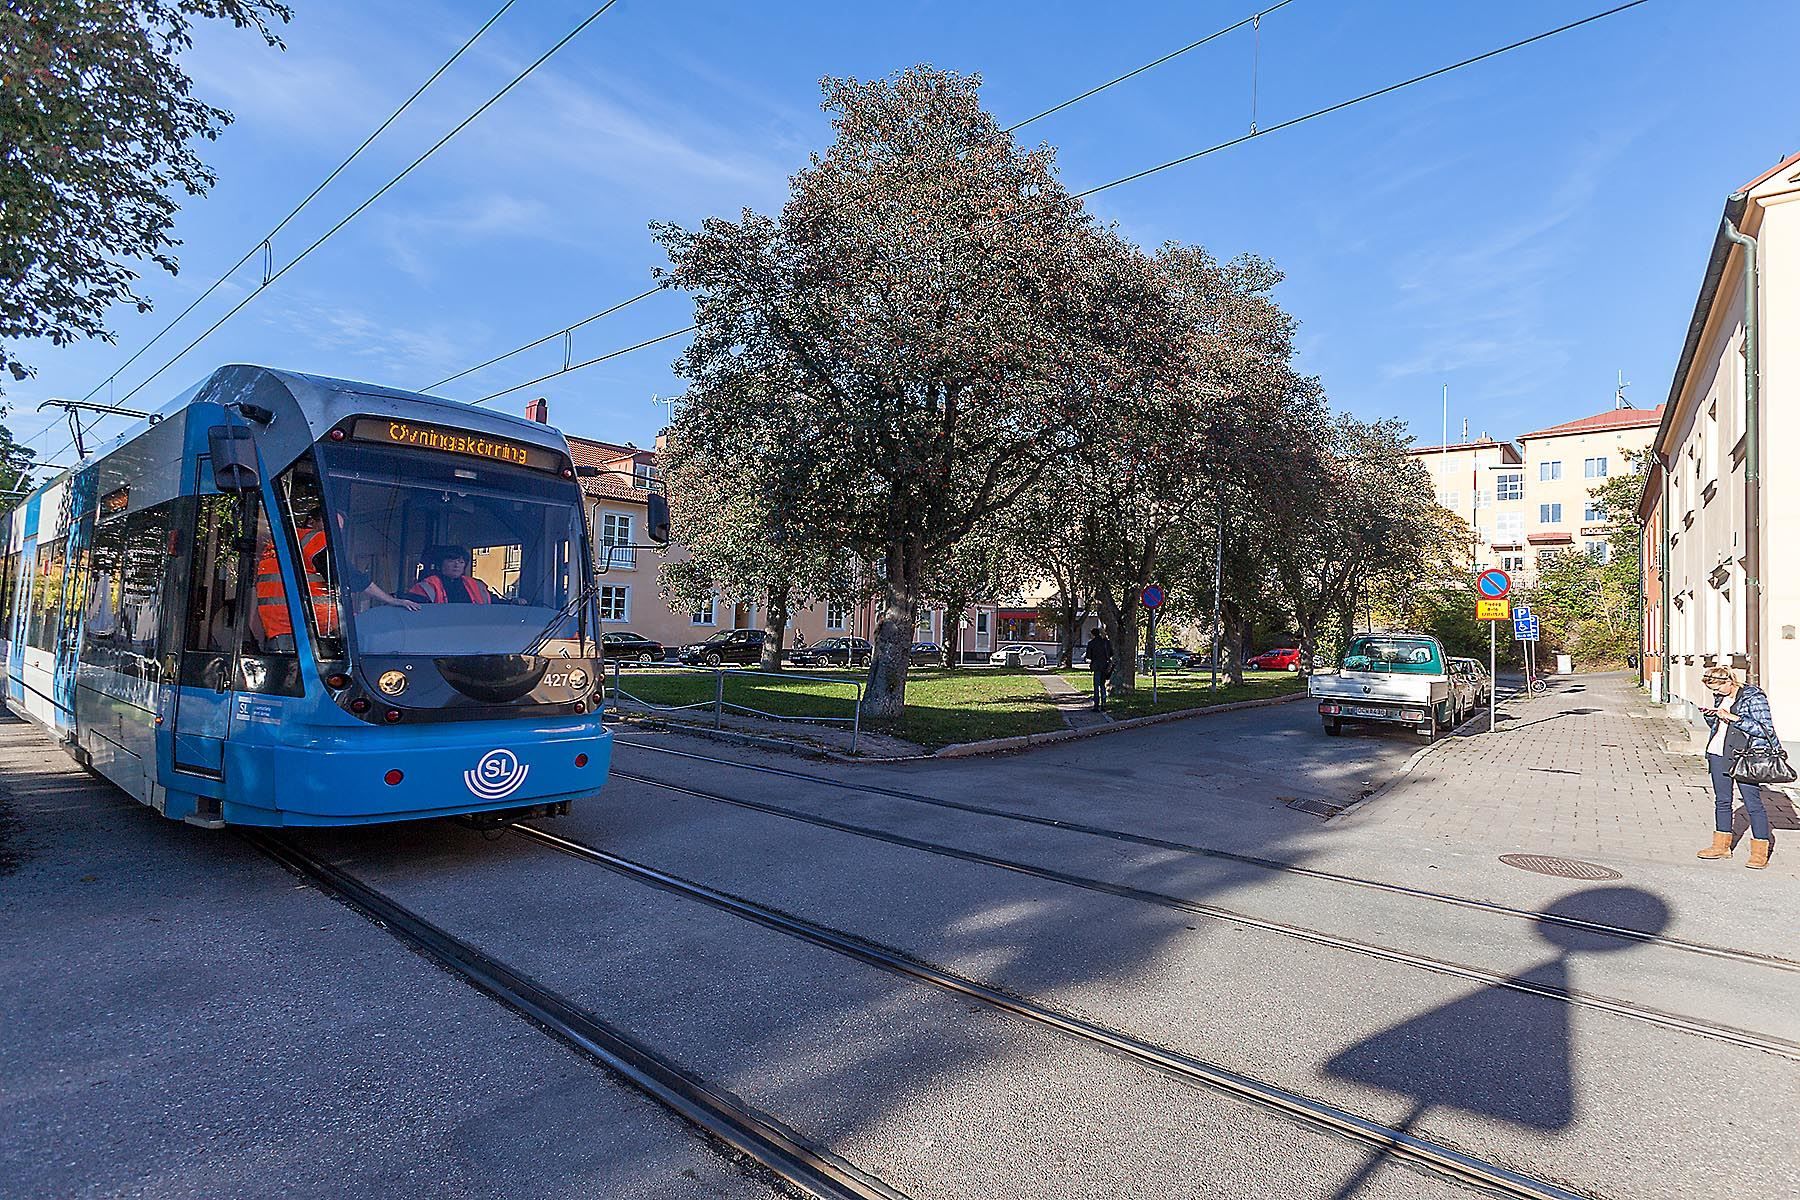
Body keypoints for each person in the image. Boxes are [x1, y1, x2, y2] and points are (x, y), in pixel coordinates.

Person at [255, 499, 415, 652]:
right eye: (332, 527)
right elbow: (350, 578)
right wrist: (391, 599)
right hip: (303, 632)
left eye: (340, 529)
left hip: (278, 629)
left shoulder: (279, 544)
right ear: (312, 522)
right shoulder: (314, 540)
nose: (335, 535)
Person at [1695, 666, 1779, 869]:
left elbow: (1764, 729)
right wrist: (1710, 715)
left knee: (1753, 804)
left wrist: (1735, 719)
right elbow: (1718, 726)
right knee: (1722, 800)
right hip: (1718, 753)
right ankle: (1721, 846)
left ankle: (1760, 852)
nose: (1715, 693)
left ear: (1729, 681)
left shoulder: (1754, 697)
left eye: (1717, 688)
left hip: (1745, 756)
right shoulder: (1721, 696)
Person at [407, 545, 508, 605]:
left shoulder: (476, 585)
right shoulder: (427, 586)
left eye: (461, 562)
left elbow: (494, 602)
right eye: (451, 561)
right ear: (440, 563)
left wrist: (513, 602)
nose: (456, 565)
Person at [1085, 628, 1114, 711]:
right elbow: (1111, 653)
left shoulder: (1091, 643)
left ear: (1093, 634)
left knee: (1096, 686)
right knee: (1102, 685)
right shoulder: (1106, 642)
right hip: (1105, 666)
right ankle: (1104, 704)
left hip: (1096, 666)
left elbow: (1088, 656)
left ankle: (1096, 705)